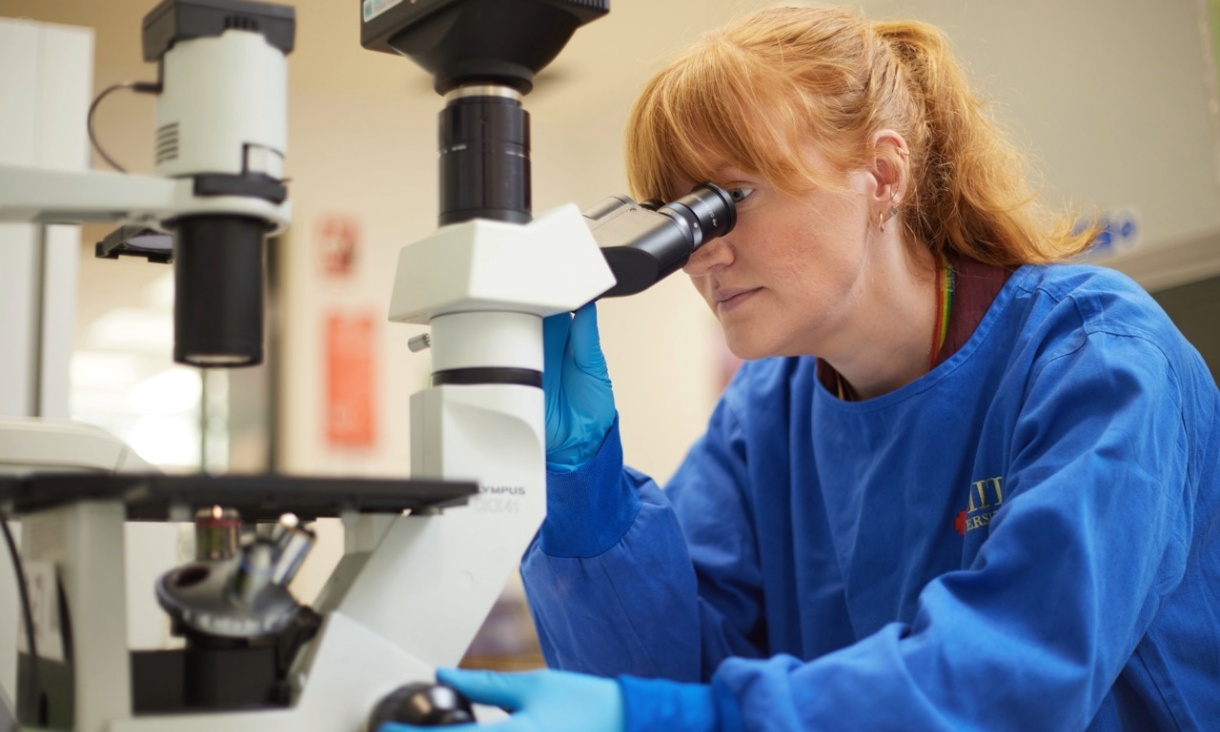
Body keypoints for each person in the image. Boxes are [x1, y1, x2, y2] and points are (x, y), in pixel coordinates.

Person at [384, 4, 1220, 731]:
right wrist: (582, 488)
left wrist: (677, 717)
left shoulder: (1095, 358)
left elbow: (1010, 681)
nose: (700, 255)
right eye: (680, 215)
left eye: (731, 198)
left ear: (883, 175)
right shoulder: (770, 409)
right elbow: (662, 674)